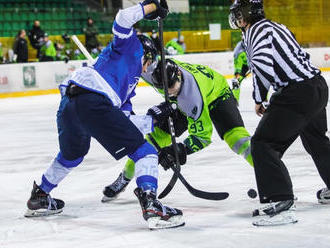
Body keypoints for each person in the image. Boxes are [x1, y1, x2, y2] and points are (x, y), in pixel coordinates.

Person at [24, 0, 185, 230]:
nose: (147, 68)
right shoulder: (131, 45)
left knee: (73, 155)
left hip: (72, 103)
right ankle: (151, 206)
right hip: (93, 101)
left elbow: (125, 124)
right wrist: (150, 7)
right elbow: (121, 19)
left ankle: (40, 195)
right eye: (149, 63)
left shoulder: (126, 87)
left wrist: (156, 118)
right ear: (147, 55)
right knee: (145, 152)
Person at [229, 0, 330, 226]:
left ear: (244, 16)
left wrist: (259, 98)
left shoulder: (253, 32)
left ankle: (279, 202)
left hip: (296, 93)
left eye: (237, 15)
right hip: (318, 86)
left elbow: (262, 65)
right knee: (317, 141)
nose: (236, 20)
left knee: (263, 144)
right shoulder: (277, 26)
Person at [102, 58, 254, 202]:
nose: (169, 93)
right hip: (182, 100)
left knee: (237, 139)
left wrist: (178, 151)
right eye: (164, 90)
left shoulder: (192, 98)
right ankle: (124, 178)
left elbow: (202, 137)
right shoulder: (152, 71)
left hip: (218, 94)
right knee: (153, 140)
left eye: (171, 88)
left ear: (179, 75)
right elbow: (133, 65)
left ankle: (269, 172)